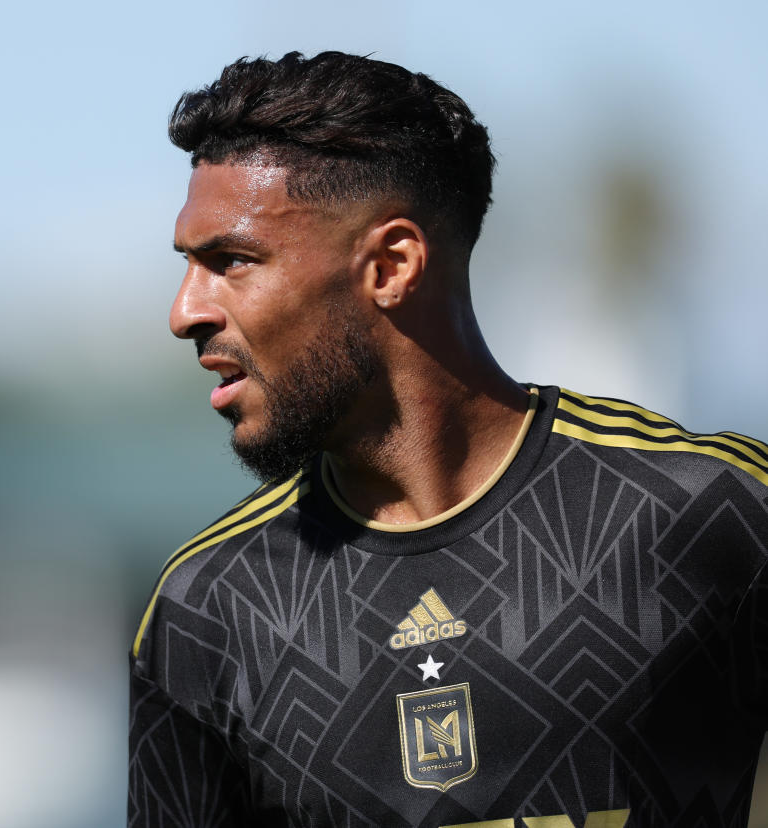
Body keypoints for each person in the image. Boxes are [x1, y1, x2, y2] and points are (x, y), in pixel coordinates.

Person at [127, 51, 768, 828]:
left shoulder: (712, 515)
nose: (185, 310)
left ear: (392, 265)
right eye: (189, 266)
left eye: (231, 261)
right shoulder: (210, 608)